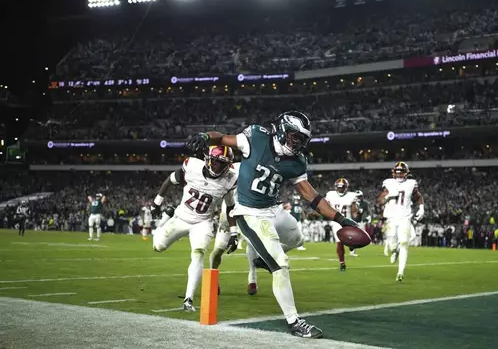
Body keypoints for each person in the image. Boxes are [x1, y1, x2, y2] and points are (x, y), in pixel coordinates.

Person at [186, 110, 359, 338]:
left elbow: (312, 196)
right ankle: (294, 321)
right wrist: (205, 136)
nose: (297, 143)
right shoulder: (256, 138)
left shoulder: (296, 161)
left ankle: (260, 259)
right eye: (294, 137)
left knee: (297, 238)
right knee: (281, 264)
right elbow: (222, 137)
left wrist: (341, 218)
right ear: (282, 131)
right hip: (250, 213)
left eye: (301, 139)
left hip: (273, 208)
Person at [150, 146, 238, 311]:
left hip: (203, 222)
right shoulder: (192, 166)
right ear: (207, 159)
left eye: (222, 163)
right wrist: (156, 203)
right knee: (158, 247)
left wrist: (234, 233)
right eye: (215, 162)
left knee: (198, 254)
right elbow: (170, 180)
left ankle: (188, 299)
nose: (217, 167)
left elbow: (230, 207)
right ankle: (163, 222)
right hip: (181, 217)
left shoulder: (230, 180)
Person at [377, 162, 424, 282]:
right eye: (397, 173)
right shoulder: (388, 183)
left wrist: (422, 208)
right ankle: (394, 251)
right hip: (391, 218)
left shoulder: (411, 183)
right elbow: (380, 201)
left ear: (406, 173)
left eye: (401, 172)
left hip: (405, 218)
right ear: (393, 173)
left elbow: (418, 197)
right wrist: (388, 197)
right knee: (393, 244)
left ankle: (400, 272)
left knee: (404, 243)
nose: (398, 175)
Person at [325, 178, 359, 270]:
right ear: (336, 187)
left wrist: (356, 210)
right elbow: (325, 206)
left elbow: (354, 211)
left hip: (347, 220)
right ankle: (342, 263)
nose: (340, 189)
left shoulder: (351, 195)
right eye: (339, 187)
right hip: (336, 222)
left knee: (350, 240)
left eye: (342, 187)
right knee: (339, 243)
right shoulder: (330, 195)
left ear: (346, 187)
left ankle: (351, 245)